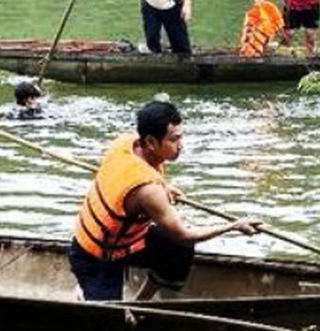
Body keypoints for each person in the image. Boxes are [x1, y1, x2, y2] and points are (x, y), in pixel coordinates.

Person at [68, 100, 261, 301]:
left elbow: (127, 184)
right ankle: (85, 291)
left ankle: (140, 303)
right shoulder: (149, 190)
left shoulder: (127, 142)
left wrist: (165, 188)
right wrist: (233, 226)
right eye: (173, 140)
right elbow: (183, 234)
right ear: (151, 142)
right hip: (96, 256)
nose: (180, 145)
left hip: (123, 242)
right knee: (109, 318)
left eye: (181, 137)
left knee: (178, 248)